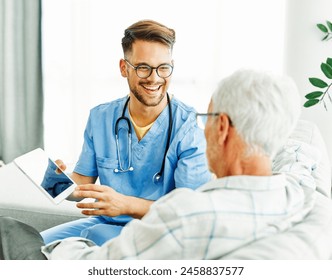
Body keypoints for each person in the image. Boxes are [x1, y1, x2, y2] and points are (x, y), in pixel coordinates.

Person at [0, 68, 325, 260]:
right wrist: (58, 181)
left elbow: (96, 266)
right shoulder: (302, 193)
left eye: (207, 119)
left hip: (94, 247)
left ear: (223, 127)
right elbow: (299, 154)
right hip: (111, 230)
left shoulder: (188, 213)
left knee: (10, 231)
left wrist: (66, 246)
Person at [39, 19, 212, 246]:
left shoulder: (188, 127)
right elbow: (84, 181)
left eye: (163, 68)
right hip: (104, 224)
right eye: (143, 67)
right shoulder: (100, 118)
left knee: (87, 247)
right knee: (35, 246)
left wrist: (126, 205)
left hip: (160, 232)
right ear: (124, 68)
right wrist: (56, 181)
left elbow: (189, 212)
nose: (154, 78)